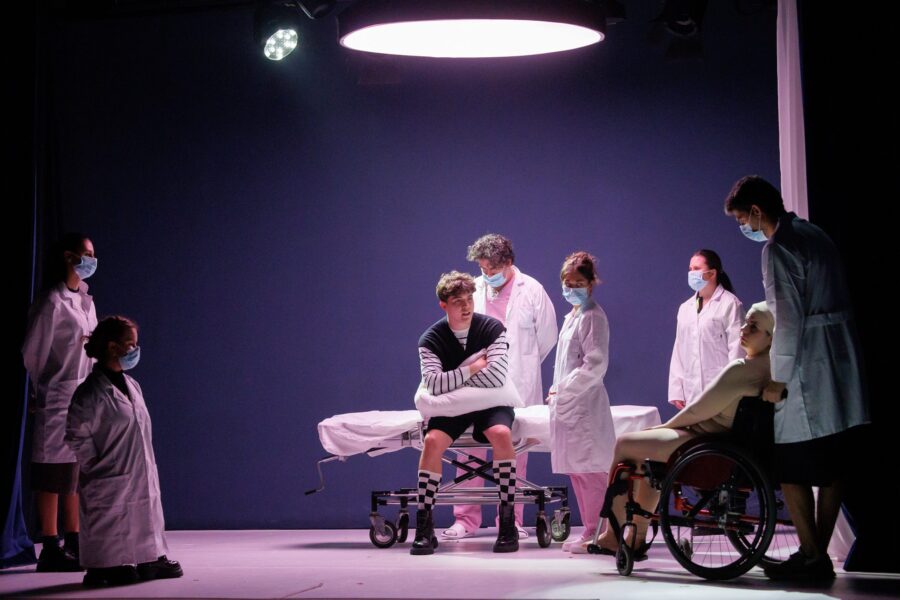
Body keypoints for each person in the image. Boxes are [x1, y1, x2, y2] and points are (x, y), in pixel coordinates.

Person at [725, 175, 869, 581]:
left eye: (742, 219)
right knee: (833, 467)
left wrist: (778, 378)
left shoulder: (779, 247)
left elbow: (786, 319)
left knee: (791, 467)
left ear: (757, 211)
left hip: (807, 366)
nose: (744, 227)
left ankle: (811, 554)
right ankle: (815, 553)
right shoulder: (815, 234)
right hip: (839, 359)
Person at [593, 303, 775, 554]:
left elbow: (698, 410)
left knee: (624, 444)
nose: (743, 329)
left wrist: (664, 426)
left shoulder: (742, 369)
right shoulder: (771, 369)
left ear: (770, 337)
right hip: (720, 438)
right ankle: (635, 537)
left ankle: (613, 535)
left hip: (704, 439)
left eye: (753, 327)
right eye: (746, 323)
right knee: (648, 461)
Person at [442, 234, 557, 541]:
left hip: (515, 381)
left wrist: (522, 362)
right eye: (482, 268)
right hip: (477, 380)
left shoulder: (532, 290)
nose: (486, 274)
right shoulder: (474, 290)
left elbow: (547, 338)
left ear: (508, 263)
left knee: (514, 450)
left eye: (492, 269)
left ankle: (512, 519)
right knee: (469, 449)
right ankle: (465, 519)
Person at [65, 316, 182, 586]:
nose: (135, 350)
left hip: (138, 468)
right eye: (130, 344)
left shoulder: (132, 386)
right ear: (112, 347)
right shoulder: (90, 392)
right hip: (109, 473)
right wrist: (95, 463)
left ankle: (149, 558)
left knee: (144, 510)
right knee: (110, 519)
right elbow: (76, 434)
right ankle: (102, 566)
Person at [412, 271, 519, 555]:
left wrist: (452, 378)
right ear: (443, 305)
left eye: (469, 299)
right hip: (454, 410)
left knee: (501, 433)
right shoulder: (430, 339)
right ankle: (424, 526)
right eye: (458, 301)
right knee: (432, 442)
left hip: (491, 404)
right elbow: (432, 384)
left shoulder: (492, 328)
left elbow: (497, 377)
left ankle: (507, 522)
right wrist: (472, 367)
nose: (466, 306)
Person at [21, 233, 99, 571]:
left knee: (74, 471)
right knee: (52, 470)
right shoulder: (52, 302)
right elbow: (33, 353)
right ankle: (51, 546)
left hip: (81, 395)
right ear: (69, 256)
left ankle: (75, 540)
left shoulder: (84, 301)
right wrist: (39, 391)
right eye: (87, 254)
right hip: (56, 395)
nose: (92, 260)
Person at [546, 252, 616, 553]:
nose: (571, 288)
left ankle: (600, 532)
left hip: (584, 406)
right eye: (568, 283)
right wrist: (558, 391)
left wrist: (563, 389)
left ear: (591, 284)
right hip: (568, 405)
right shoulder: (573, 316)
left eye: (578, 283)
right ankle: (590, 529)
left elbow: (595, 365)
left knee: (591, 472)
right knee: (578, 471)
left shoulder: (592, 317)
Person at [668, 249, 744, 410]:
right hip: (691, 391)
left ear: (712, 273)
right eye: (690, 269)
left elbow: (737, 349)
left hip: (721, 390)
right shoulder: (685, 308)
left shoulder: (730, 304)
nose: (691, 273)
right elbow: (679, 349)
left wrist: (732, 388)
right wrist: (676, 390)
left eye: (696, 269)